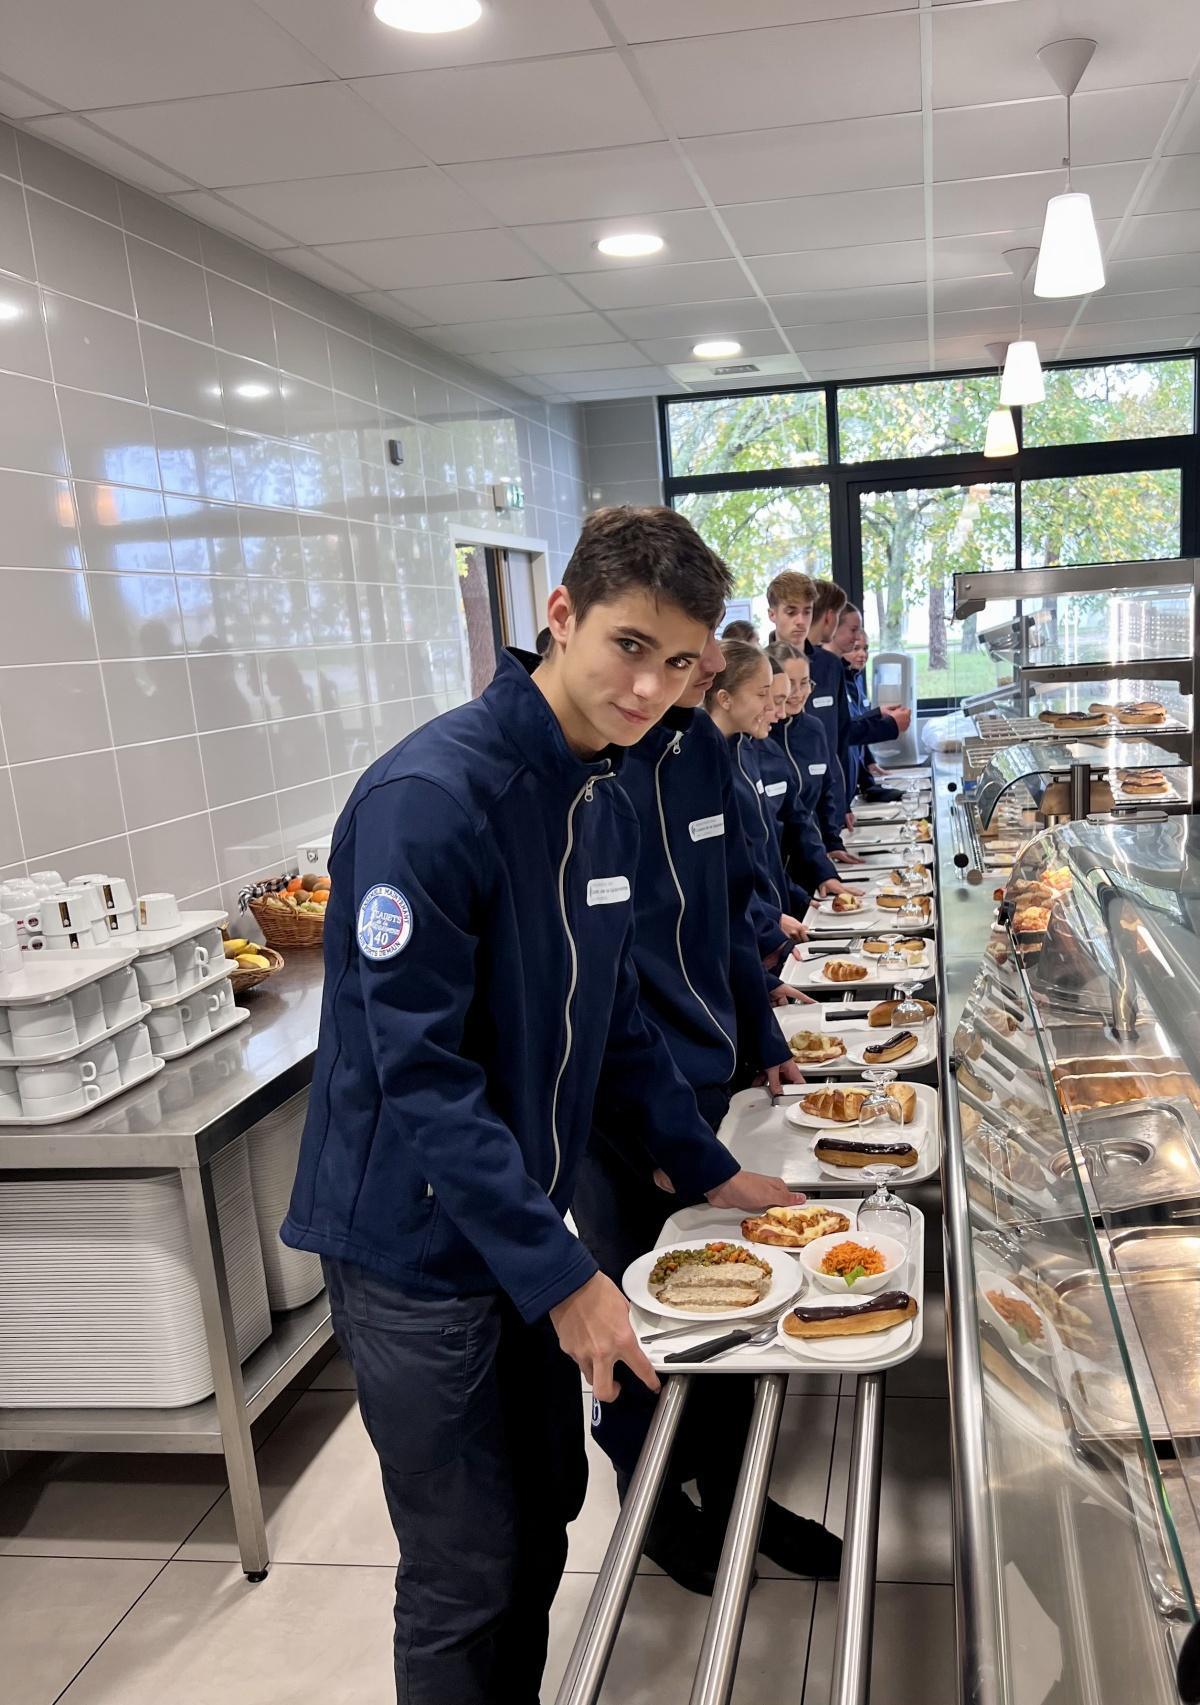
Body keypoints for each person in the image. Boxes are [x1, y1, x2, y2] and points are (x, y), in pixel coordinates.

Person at [281, 505, 798, 1705]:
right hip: (415, 1249)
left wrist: (704, 1164)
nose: (651, 688)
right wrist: (567, 1278)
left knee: (545, 1512)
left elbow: (613, 1020)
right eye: (630, 646)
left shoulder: (597, 795)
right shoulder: (431, 798)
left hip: (517, 1226)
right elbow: (421, 1074)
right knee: (467, 1568)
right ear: (560, 615)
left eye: (680, 663)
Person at [573, 629, 840, 1593]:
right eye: (672, 654)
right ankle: (649, 1500)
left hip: (707, 1080)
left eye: (696, 658)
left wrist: (762, 1038)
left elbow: (729, 914)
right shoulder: (594, 776)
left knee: (742, 1301)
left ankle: (736, 1495)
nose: (699, 674)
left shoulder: (704, 757)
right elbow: (594, 1002)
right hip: (618, 1111)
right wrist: (654, 1139)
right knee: (645, 1312)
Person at [704, 640, 809, 956]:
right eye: (763, 696)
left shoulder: (746, 751)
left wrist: (791, 903)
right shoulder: (703, 767)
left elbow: (765, 852)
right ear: (725, 698)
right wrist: (768, 922)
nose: (774, 710)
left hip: (766, 924)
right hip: (744, 935)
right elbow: (721, 875)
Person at [756, 649, 855, 898]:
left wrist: (831, 843)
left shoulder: (814, 729)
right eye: (790, 684)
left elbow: (821, 796)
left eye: (805, 683)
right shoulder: (758, 741)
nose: (798, 693)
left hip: (810, 858)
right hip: (774, 871)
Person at [824, 602, 909, 803]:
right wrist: (890, 725)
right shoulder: (830, 677)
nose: (862, 654)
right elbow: (845, 731)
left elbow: (857, 724)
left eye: (865, 648)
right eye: (855, 647)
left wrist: (868, 764)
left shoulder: (856, 679)